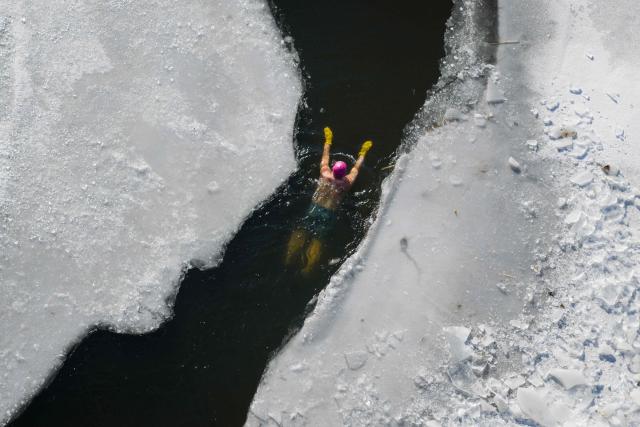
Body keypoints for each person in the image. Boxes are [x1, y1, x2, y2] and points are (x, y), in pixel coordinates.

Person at [286, 126, 373, 273]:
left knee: (301, 229)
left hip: (314, 207)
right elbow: (356, 168)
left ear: (333, 169)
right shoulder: (347, 183)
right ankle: (307, 268)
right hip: (329, 213)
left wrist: (328, 141)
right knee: (318, 238)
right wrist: (363, 153)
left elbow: (325, 157)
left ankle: (288, 259)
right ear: (344, 173)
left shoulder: (325, 174)